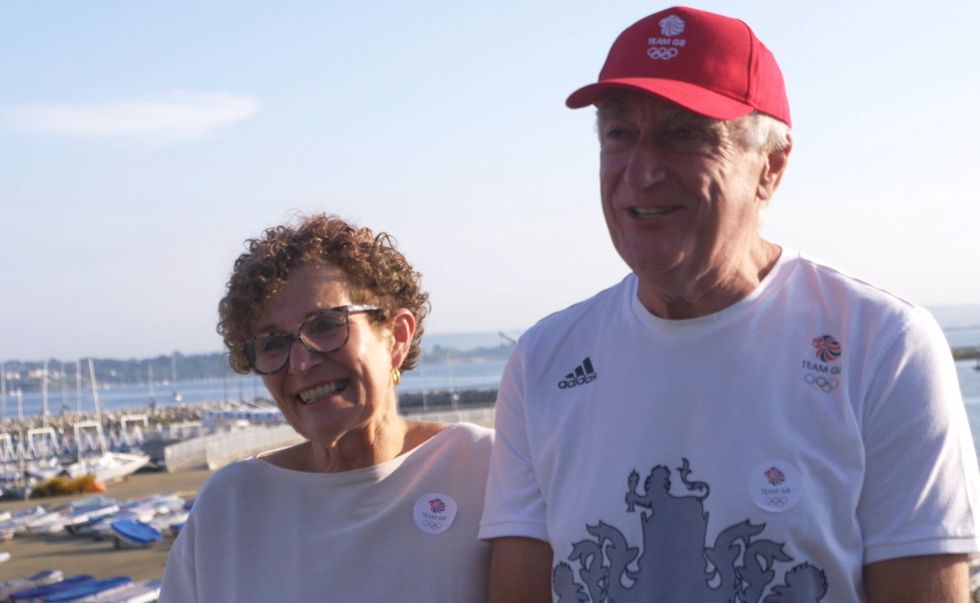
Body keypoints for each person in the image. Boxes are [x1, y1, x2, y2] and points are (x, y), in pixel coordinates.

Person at [479, 6, 980, 602]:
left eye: (685, 133)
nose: (641, 172)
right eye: (619, 134)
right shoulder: (543, 360)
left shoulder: (883, 344)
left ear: (770, 166)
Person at [160, 214, 493, 602]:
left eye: (325, 326)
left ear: (397, 338)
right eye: (271, 344)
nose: (300, 363)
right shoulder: (230, 506)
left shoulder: (485, 467)